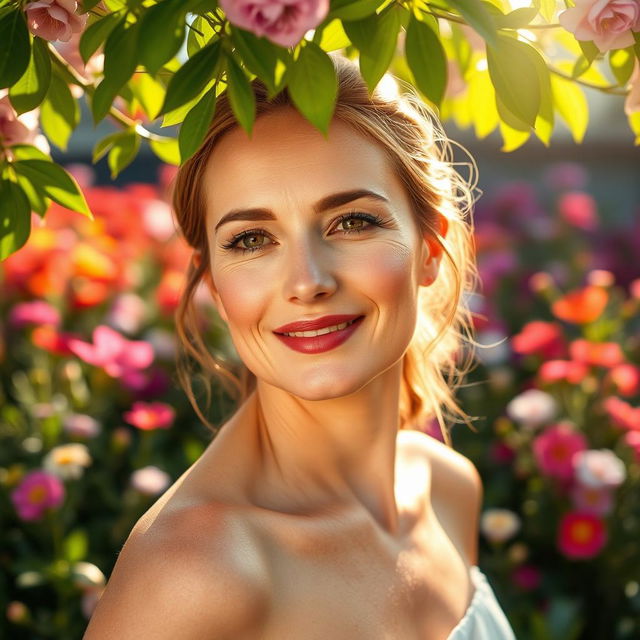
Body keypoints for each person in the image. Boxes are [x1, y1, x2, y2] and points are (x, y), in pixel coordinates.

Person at [83, 55, 516, 639]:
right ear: (214, 281)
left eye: (352, 222)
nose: (306, 282)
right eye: (252, 239)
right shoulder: (195, 570)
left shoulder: (446, 488)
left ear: (431, 250)